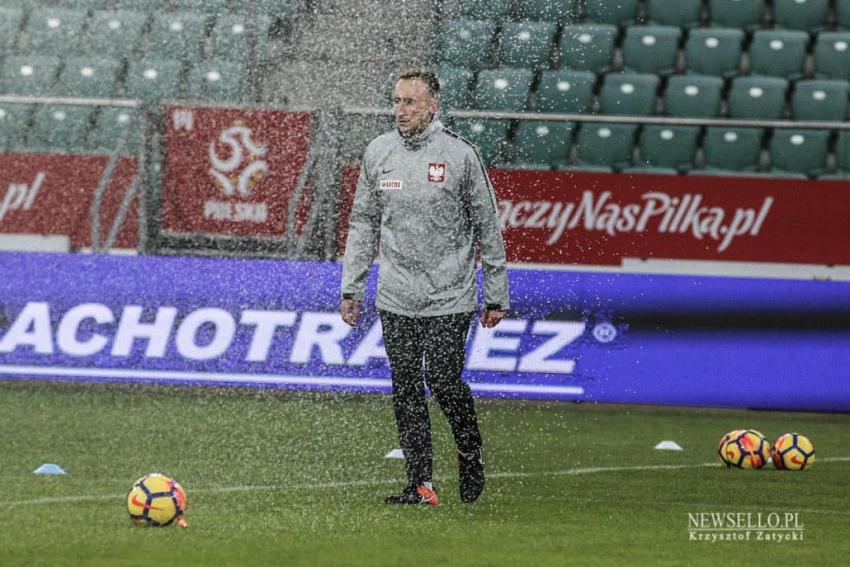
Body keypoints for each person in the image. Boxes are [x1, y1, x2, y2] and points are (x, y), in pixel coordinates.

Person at [340, 69, 510, 506]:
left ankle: (469, 451)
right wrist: (351, 287)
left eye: (410, 102)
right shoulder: (378, 152)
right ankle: (420, 484)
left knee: (443, 380)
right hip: (395, 295)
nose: (400, 110)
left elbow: (488, 227)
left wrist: (496, 293)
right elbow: (362, 223)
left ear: (433, 105)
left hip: (449, 295)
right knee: (406, 388)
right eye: (396, 101)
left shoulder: (460, 155)